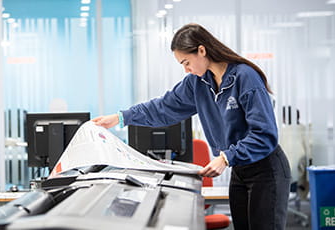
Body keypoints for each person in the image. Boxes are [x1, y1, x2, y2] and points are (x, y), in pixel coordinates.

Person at [92, 23, 291, 230]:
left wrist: (225, 158)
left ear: (202, 50)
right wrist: (120, 118)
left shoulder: (245, 77)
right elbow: (162, 107)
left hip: (266, 169)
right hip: (239, 170)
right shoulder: (198, 83)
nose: (186, 69)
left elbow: (265, 134)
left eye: (186, 62)